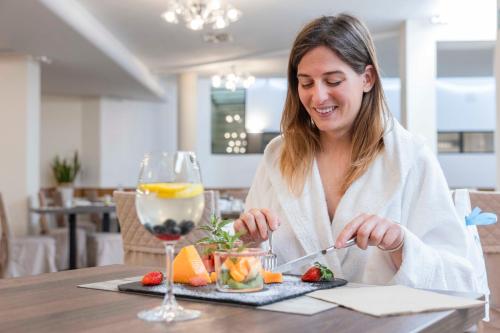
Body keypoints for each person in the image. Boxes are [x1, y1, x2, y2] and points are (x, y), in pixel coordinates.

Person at [234, 14, 478, 291]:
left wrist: (400, 244)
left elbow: (460, 280)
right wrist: (249, 242)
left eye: (334, 81)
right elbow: (247, 268)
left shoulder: (410, 157)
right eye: (306, 83)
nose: (318, 97)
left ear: (367, 79)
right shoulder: (278, 156)